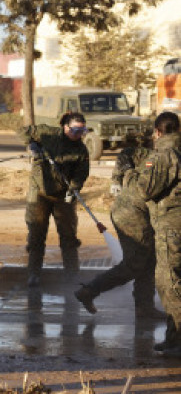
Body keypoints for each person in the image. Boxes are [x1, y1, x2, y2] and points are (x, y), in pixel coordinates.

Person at [73, 145, 165, 319]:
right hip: (131, 212)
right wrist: (116, 178)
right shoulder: (164, 154)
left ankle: (144, 307)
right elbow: (126, 152)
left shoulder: (166, 154)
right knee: (135, 264)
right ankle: (89, 291)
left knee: (149, 260)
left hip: (142, 211)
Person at [122, 112, 181, 356]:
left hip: (171, 228)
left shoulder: (163, 155)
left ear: (157, 132)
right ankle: (172, 338)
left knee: (169, 286)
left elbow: (145, 190)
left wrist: (130, 175)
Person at [18, 112, 90, 287]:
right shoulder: (47, 134)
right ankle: (34, 274)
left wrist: (73, 188)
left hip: (63, 197)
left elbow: (81, 174)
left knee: (69, 238)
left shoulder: (81, 150)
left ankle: (72, 277)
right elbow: (22, 131)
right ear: (65, 127)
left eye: (82, 130)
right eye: (75, 130)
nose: (79, 134)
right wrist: (32, 145)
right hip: (40, 194)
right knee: (36, 236)